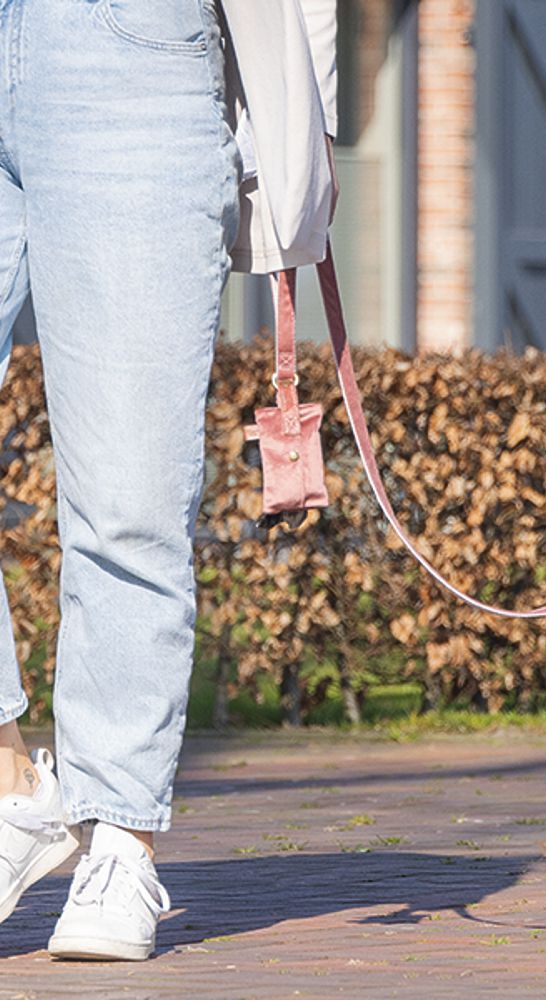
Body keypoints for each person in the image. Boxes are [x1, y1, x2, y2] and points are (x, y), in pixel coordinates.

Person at [0, 0, 337, 961]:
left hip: (129, 55)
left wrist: (297, 128)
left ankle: (118, 835)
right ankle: (13, 793)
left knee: (126, 494)